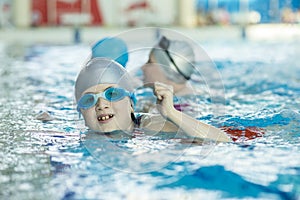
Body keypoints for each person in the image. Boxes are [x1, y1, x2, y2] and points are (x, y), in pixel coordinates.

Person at [75, 57, 231, 143]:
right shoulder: (78, 139)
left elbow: (222, 140)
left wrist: (171, 113)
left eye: (112, 94)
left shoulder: (148, 125)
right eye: (89, 100)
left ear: (131, 103)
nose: (101, 105)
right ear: (81, 112)